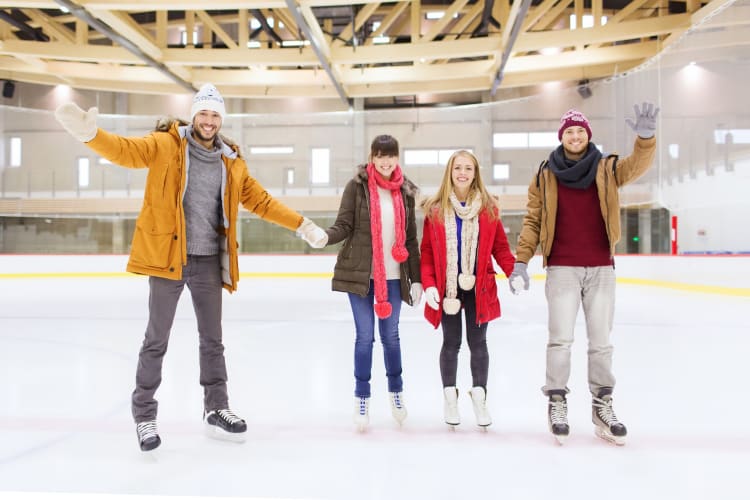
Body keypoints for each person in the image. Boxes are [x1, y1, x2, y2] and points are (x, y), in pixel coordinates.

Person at [54, 83, 327, 452]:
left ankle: (217, 409)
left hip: (209, 262)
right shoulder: (165, 144)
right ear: (194, 115)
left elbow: (260, 201)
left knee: (213, 342)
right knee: (156, 340)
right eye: (204, 113)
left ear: (221, 120)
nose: (209, 121)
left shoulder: (231, 161)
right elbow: (126, 152)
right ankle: (145, 416)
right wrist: (91, 135)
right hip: (169, 260)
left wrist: (302, 224)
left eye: (216, 115)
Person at [509, 103, 659, 445]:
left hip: (601, 267)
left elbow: (637, 166)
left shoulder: (606, 167)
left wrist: (645, 138)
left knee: (601, 342)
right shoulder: (545, 173)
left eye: (580, 131)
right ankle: (557, 400)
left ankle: (602, 404)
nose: (575, 136)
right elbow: (533, 220)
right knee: (560, 340)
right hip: (562, 266)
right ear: (561, 137)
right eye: (569, 132)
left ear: (587, 135)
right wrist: (522, 260)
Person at [321, 135, 422, 431]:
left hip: (393, 278)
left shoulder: (405, 191)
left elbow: (412, 239)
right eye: (380, 156)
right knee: (365, 337)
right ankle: (361, 396)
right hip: (361, 277)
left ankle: (396, 392)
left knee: (391, 337)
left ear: (398, 157)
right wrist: (325, 236)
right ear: (372, 157)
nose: (386, 161)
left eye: (391, 156)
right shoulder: (358, 187)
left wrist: (415, 279)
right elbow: (344, 224)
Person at [420, 150, 516, 429]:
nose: (463, 173)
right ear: (450, 172)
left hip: (479, 287)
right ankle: (450, 398)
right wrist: (428, 285)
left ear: (476, 173)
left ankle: (479, 397)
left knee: (478, 343)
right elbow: (426, 252)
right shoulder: (436, 209)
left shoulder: (489, 208)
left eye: (468, 168)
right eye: (458, 168)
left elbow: (500, 248)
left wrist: (513, 272)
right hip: (448, 288)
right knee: (451, 343)